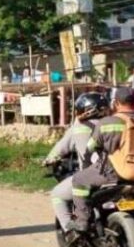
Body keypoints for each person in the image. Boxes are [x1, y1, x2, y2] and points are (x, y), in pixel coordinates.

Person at [68, 87, 134, 232]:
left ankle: (82, 220)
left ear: (116, 103)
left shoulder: (107, 122)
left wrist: (88, 164)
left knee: (79, 179)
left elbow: (90, 148)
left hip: (112, 172)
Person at [43, 93, 108, 233]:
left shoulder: (79, 126)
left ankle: (70, 229)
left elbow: (61, 147)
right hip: (123, 173)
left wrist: (48, 160)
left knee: (56, 194)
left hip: (93, 174)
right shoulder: (116, 122)